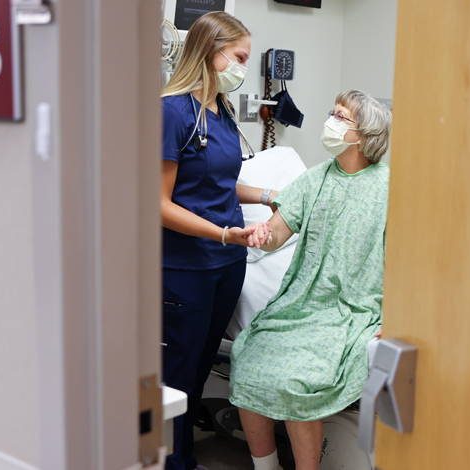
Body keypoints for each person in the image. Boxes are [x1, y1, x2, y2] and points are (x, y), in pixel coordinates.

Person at [229, 90, 391, 470]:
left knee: (298, 380)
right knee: (247, 359)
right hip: (301, 304)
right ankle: (265, 466)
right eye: (332, 113)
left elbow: (406, 261)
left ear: (365, 133)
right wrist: (258, 236)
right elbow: (276, 234)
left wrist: (393, 315)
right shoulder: (314, 179)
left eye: (341, 117)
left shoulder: (390, 189)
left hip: (352, 308)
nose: (330, 122)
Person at [159, 12, 276, 470]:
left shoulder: (220, 110)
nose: (243, 66)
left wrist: (269, 195)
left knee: (202, 366)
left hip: (228, 263)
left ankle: (183, 457)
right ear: (212, 51)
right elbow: (159, 203)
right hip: (186, 266)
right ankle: (169, 463)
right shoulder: (171, 111)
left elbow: (222, 181)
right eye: (240, 56)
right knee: (177, 374)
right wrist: (224, 232)